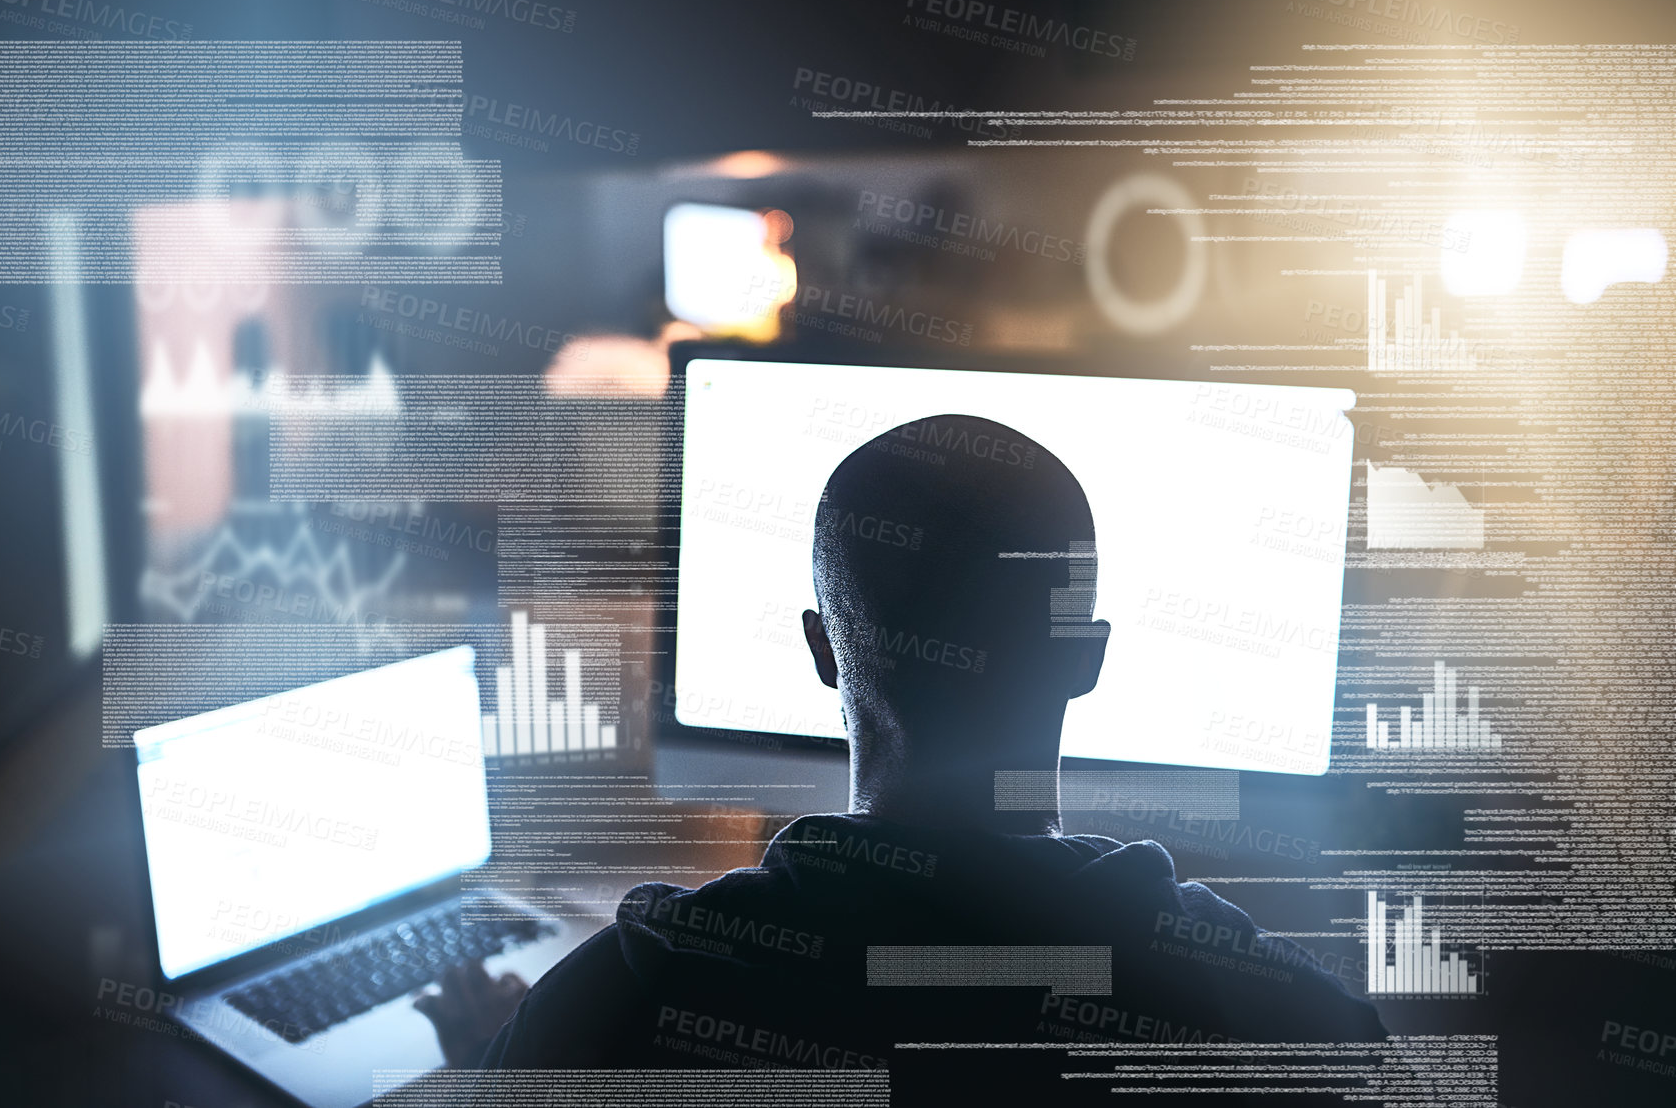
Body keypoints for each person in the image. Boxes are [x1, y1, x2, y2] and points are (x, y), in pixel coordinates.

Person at [418, 414, 1386, 1096]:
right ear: (1087, 662)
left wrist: (492, 1054)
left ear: (820, 649)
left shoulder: (641, 988)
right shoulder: (1252, 999)